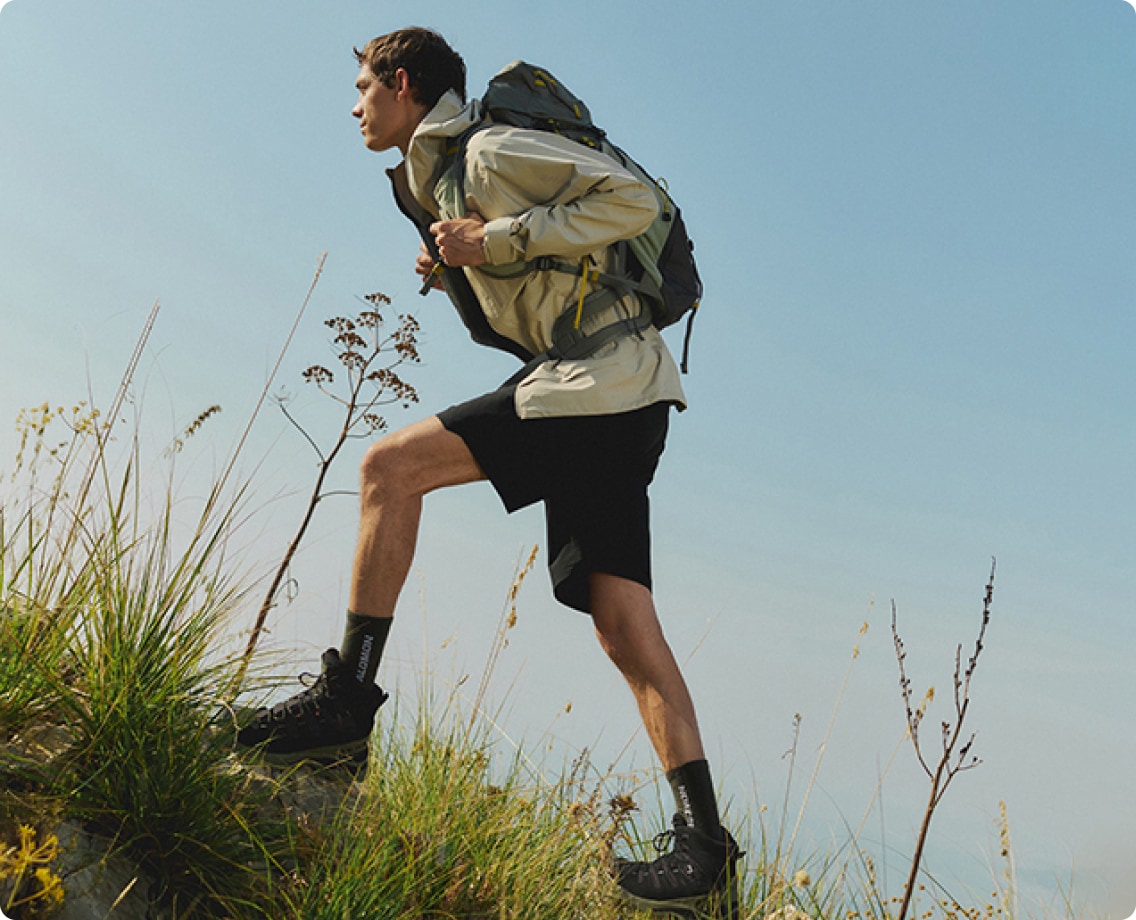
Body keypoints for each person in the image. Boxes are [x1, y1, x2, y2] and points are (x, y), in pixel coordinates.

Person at [236, 26, 742, 915]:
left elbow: (632, 198)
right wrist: (462, 259)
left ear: (402, 83)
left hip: (596, 385)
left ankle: (344, 711)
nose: (353, 107)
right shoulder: (438, 177)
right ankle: (705, 843)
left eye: (363, 87)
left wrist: (498, 239)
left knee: (390, 468)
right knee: (622, 620)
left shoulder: (491, 148)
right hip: (623, 392)